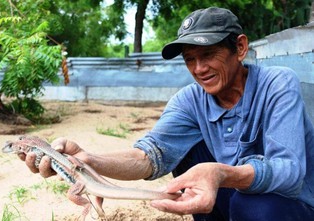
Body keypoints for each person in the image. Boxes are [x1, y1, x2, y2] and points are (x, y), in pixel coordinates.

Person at [20, 7, 314, 221]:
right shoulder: (190, 100)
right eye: (190, 60)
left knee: (253, 207)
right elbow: (149, 156)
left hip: (292, 206)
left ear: (240, 47)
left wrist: (221, 173)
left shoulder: (277, 83)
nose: (199, 69)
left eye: (209, 55)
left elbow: (288, 173)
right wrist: (87, 160)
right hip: (232, 201)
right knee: (183, 151)